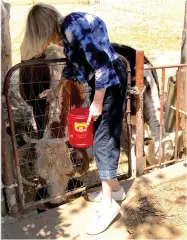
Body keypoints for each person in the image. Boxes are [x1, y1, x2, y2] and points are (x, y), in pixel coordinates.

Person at [21, 3, 127, 235]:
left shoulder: (72, 26)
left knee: (102, 142)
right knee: (101, 136)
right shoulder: (68, 32)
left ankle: (109, 205)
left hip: (111, 81)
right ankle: (115, 189)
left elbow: (102, 67)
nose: (44, 41)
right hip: (104, 83)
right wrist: (56, 89)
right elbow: (73, 66)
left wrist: (97, 103)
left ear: (43, 28)